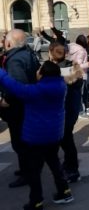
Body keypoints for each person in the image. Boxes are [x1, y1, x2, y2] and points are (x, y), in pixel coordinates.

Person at [0, 60, 74, 210]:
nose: (36, 71)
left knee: (34, 171)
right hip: (54, 134)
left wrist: (1, 73)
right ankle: (64, 191)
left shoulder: (35, 91)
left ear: (42, 74)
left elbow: (14, 86)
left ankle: (36, 201)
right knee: (54, 163)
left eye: (39, 69)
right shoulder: (60, 86)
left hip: (36, 137)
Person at [0, 29, 40, 188]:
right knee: (25, 141)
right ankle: (28, 169)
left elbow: (17, 85)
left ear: (9, 43)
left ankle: (27, 173)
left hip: (18, 108)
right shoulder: (28, 54)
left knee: (19, 142)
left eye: (4, 41)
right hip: (28, 105)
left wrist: (6, 100)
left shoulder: (15, 60)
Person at [49, 42, 83, 183]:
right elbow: (78, 83)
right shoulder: (73, 66)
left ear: (51, 53)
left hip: (60, 112)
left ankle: (72, 170)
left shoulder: (52, 70)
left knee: (66, 142)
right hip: (72, 110)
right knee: (67, 140)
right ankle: (70, 167)